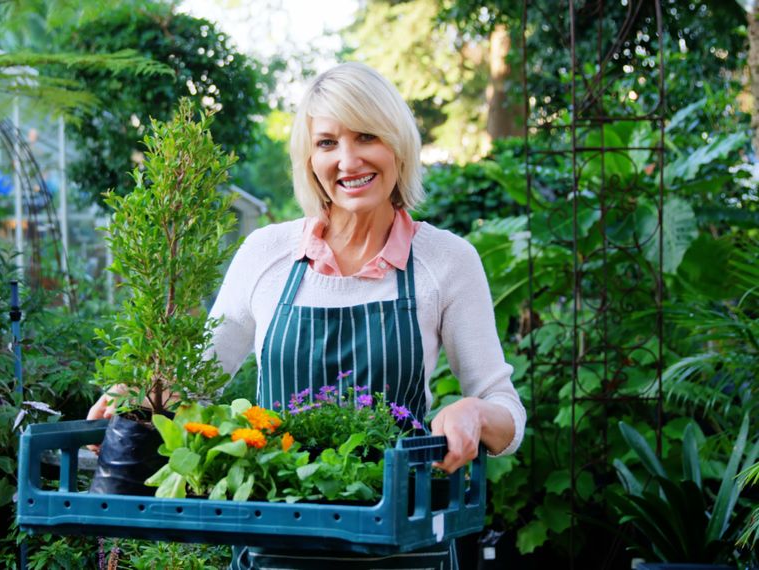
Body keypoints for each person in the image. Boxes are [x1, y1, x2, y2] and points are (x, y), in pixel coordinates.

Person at [89, 62, 526, 570]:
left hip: (403, 549)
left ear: (398, 146)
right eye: (326, 143)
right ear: (308, 157)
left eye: (367, 136)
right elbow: (198, 381)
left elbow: (506, 412)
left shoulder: (446, 260)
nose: (348, 160)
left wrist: (472, 411)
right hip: (276, 543)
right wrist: (143, 395)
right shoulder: (267, 254)